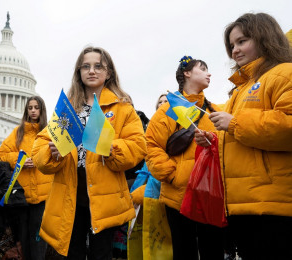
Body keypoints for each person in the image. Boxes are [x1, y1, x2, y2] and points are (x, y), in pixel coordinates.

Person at [31, 46, 147, 258]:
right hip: (70, 194)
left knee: (100, 254)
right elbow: (39, 146)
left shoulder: (122, 107)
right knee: (72, 252)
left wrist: (111, 148)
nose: (91, 71)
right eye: (86, 66)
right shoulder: (67, 108)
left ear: (108, 72)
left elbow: (138, 145)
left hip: (105, 197)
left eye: (98, 66)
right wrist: (52, 152)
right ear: (79, 72)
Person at [195, 13, 292, 260]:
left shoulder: (285, 73)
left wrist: (235, 123)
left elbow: (288, 126)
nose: (235, 50)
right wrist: (213, 139)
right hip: (241, 203)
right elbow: (240, 137)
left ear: (264, 37)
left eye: (242, 41)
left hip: (273, 204)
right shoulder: (240, 89)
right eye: (232, 45)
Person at [145, 56, 224, 260]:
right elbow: (151, 146)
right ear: (186, 73)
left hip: (210, 195)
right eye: (203, 68)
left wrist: (212, 141)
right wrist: (172, 174)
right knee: (183, 252)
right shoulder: (166, 111)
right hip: (178, 196)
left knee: (212, 251)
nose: (209, 73)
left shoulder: (215, 111)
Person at [0, 96, 53, 260]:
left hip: (43, 196)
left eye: (37, 107)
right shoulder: (18, 132)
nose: (33, 111)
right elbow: (2, 155)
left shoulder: (50, 133)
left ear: (42, 110)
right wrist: (20, 161)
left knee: (38, 239)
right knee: (23, 239)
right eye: (30, 108)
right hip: (22, 196)